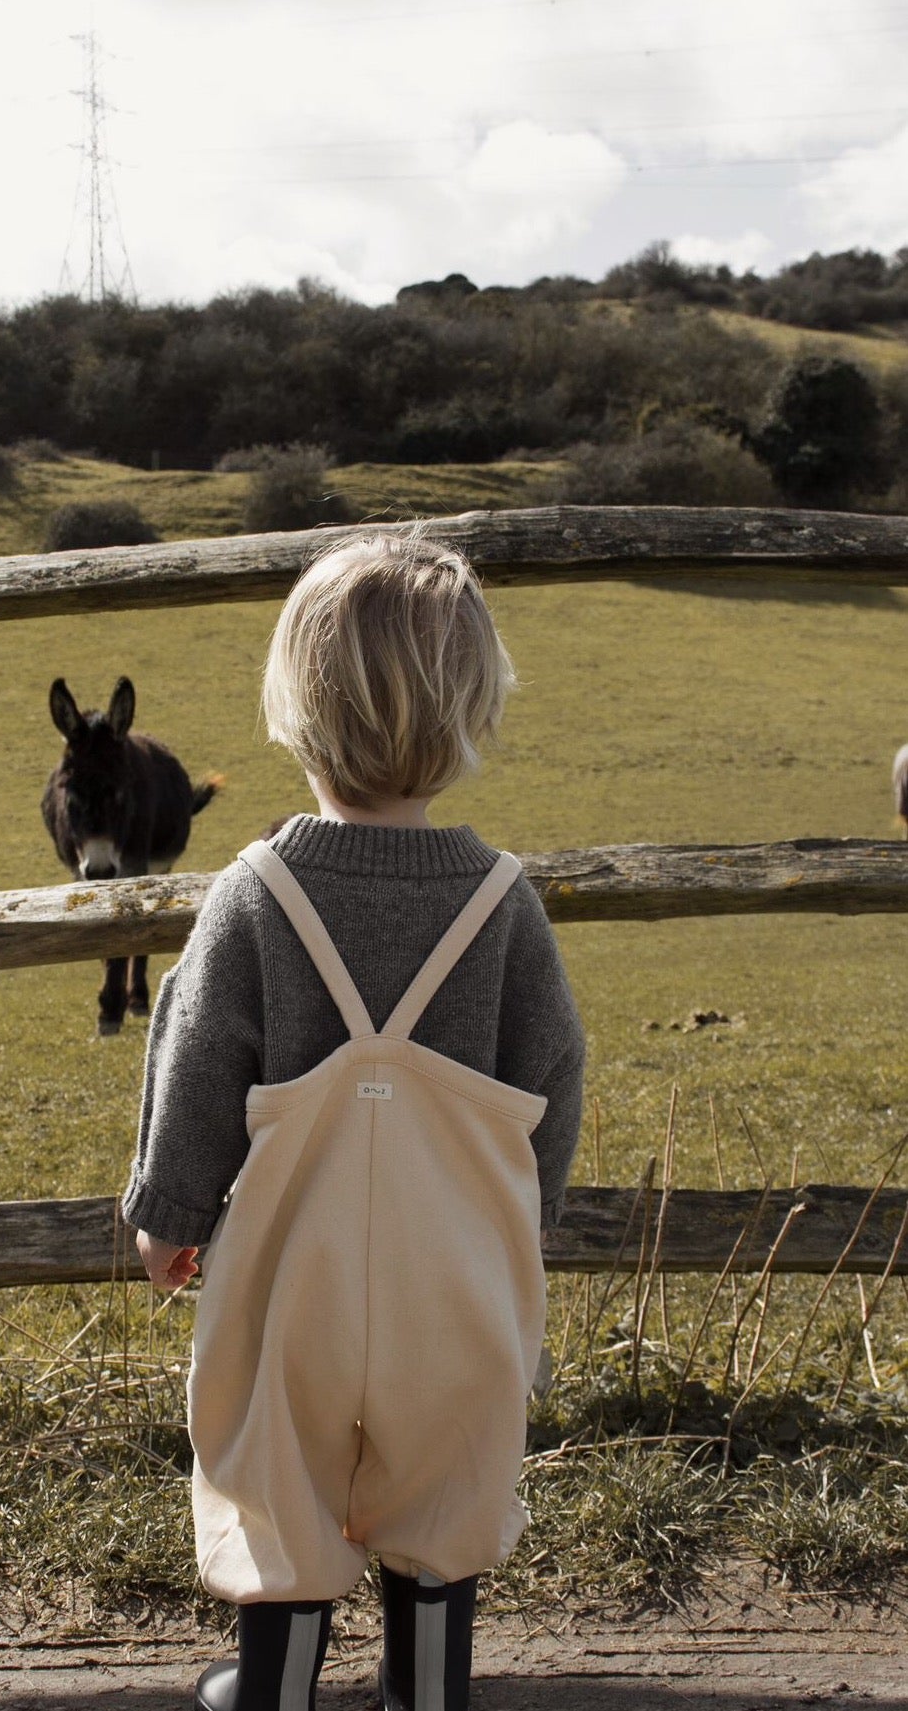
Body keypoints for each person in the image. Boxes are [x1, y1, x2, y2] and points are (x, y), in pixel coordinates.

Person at [121, 528, 585, 1711]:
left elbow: (193, 1065)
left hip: (291, 1281)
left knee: (275, 1470)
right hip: (455, 1279)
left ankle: (274, 1685)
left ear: (294, 704)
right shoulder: (501, 905)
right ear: (470, 707)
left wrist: (168, 1217)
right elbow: (552, 1073)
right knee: (446, 1479)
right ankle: (427, 1683)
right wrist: (526, 1226)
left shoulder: (252, 896)